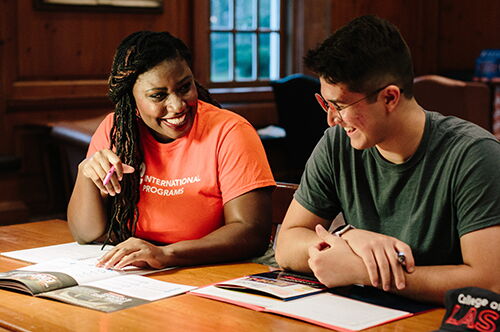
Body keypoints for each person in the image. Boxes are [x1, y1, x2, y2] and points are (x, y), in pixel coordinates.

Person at [275, 15, 500, 304]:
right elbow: (288, 242)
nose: (332, 120)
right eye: (326, 104)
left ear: (390, 98)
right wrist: (348, 237)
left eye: (341, 105)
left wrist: (364, 272)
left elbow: (488, 282)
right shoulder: (336, 144)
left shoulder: (474, 155)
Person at [67, 31, 276, 270]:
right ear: (131, 98)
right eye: (158, 95)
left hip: (218, 268)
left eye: (185, 87)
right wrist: (86, 175)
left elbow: (250, 232)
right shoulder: (116, 131)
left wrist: (166, 254)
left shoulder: (231, 131)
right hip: (144, 272)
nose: (177, 105)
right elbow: (86, 234)